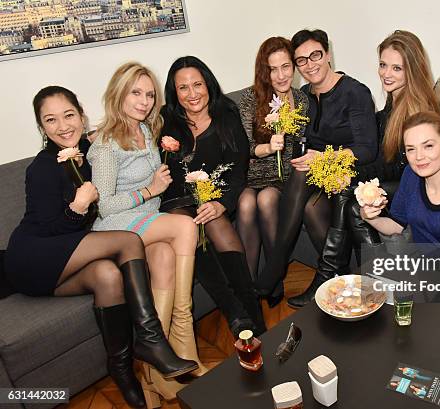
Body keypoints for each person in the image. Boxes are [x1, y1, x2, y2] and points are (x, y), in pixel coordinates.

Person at [4, 86, 196, 408]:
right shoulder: (42, 168)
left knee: (108, 276)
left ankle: (121, 370)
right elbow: (49, 228)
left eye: (68, 115)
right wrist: (76, 208)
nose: (63, 126)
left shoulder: (91, 152)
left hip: (68, 259)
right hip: (33, 256)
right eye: (50, 120)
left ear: (81, 115)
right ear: (42, 128)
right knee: (127, 240)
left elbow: (108, 185)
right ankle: (150, 338)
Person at [288, 30, 440, 307]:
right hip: (398, 176)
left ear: (412, 69)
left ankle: (332, 274)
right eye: (383, 65)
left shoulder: (415, 108)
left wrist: (354, 174)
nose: (386, 74)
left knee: (350, 191)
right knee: (348, 193)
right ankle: (359, 277)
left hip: (414, 185)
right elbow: (382, 152)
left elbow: (403, 167)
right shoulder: (397, 98)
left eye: (396, 67)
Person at [87, 62, 205, 406]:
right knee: (185, 225)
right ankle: (176, 350)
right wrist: (149, 191)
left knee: (167, 255)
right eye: (135, 92)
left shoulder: (144, 130)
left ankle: (160, 372)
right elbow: (105, 207)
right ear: (118, 93)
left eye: (149, 94)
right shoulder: (107, 143)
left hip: (146, 224)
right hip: (118, 227)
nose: (144, 101)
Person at [255, 28, 378, 307]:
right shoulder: (303, 97)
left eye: (315, 55)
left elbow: (367, 150)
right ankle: (337, 278)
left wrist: (323, 159)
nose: (310, 65)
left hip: (352, 171)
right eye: (301, 60)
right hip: (317, 173)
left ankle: (275, 268)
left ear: (328, 54)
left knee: (303, 179)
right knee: (310, 207)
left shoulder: (354, 93)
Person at [159, 56, 265, 337]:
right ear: (174, 92)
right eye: (183, 88)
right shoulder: (164, 120)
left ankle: (256, 323)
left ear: (208, 84)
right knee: (189, 228)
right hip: (177, 204)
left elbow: (238, 174)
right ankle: (236, 315)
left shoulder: (227, 119)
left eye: (198, 84)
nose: (192, 94)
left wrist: (221, 204)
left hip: (214, 200)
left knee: (219, 228)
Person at [237, 36, 308, 280]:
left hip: (283, 178)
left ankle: (273, 277)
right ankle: (250, 287)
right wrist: (268, 147)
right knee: (246, 204)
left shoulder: (301, 101)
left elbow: (301, 146)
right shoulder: (250, 98)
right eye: (273, 69)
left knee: (267, 199)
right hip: (252, 175)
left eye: (285, 67)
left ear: (294, 66)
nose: (280, 76)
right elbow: (243, 147)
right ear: (264, 71)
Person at [360, 111, 440, 245]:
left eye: (428, 146)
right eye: (411, 149)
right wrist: (369, 217)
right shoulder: (410, 175)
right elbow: (396, 225)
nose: (419, 157)